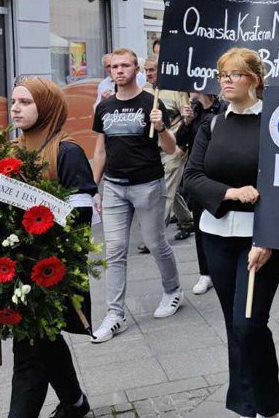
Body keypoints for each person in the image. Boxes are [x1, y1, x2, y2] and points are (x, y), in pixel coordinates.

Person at [0, 77, 97, 418]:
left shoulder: (67, 151)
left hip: (49, 273)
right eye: (14, 101)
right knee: (43, 343)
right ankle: (75, 403)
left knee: (29, 356)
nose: (16, 108)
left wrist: (37, 236)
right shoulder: (8, 150)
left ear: (47, 105)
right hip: (13, 272)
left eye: (26, 101)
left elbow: (81, 214)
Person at [182, 48, 279, 418]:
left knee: (249, 322)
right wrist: (231, 193)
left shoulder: (275, 122)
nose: (226, 80)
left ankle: (268, 405)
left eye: (236, 74)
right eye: (222, 73)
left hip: (260, 239)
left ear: (255, 79)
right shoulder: (212, 123)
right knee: (233, 323)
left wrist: (267, 238)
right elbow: (192, 176)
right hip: (216, 236)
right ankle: (245, 404)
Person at [90, 48, 183, 343]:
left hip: (148, 184)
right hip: (114, 187)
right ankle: (115, 314)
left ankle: (173, 290)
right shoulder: (104, 107)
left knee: (156, 243)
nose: (119, 70)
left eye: (125, 65)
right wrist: (93, 187)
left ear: (136, 69)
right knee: (115, 250)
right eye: (114, 66)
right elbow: (100, 150)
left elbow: (171, 148)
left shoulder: (150, 103)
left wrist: (161, 127)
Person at [144, 59, 192, 243]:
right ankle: (187, 221)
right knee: (171, 189)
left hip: (174, 147)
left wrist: (182, 145)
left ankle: (155, 236)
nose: (149, 73)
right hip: (154, 149)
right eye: (146, 70)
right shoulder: (145, 91)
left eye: (152, 70)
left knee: (164, 193)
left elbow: (187, 120)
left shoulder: (176, 90)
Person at [177, 91, 219, 294]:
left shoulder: (222, 108)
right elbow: (180, 141)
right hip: (198, 175)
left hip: (220, 174)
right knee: (200, 225)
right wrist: (186, 122)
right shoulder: (193, 110)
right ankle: (205, 273)